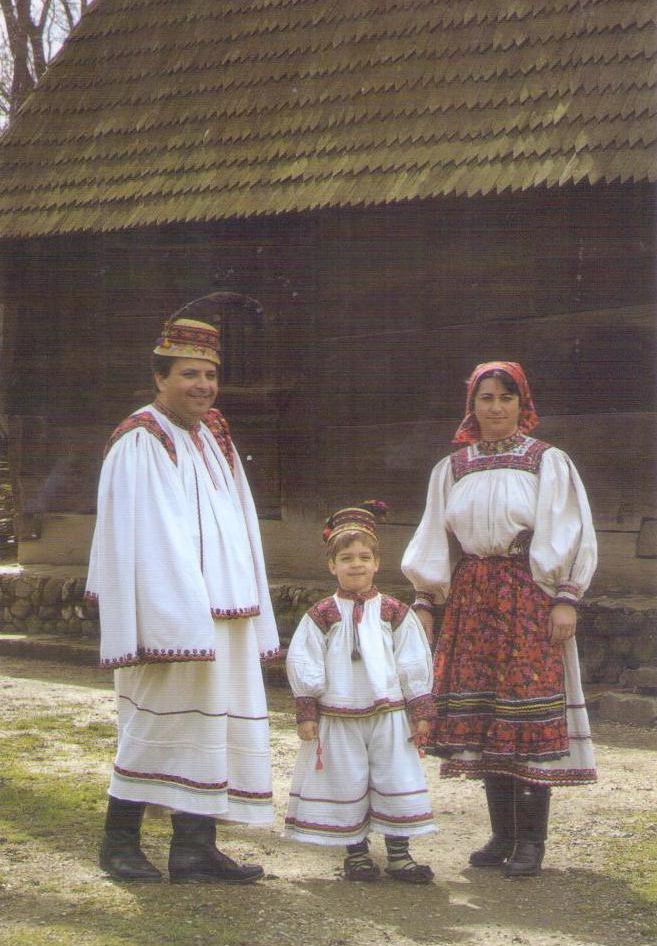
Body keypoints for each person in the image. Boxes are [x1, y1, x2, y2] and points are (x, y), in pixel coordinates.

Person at [86, 308, 280, 884]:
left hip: (226, 615)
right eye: (189, 374)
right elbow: (144, 541)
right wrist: (178, 622)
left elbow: (240, 524)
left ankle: (194, 848)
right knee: (158, 725)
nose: (202, 386)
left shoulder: (212, 437)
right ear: (160, 378)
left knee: (210, 729)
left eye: (209, 375)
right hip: (173, 623)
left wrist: (243, 598)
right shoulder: (139, 440)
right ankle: (117, 843)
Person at [402, 361, 597, 877]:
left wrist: (565, 597)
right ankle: (501, 835)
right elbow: (430, 537)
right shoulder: (453, 468)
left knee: (525, 712)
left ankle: (531, 841)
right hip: (471, 598)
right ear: (473, 406)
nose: (495, 408)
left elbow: (571, 531)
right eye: (485, 398)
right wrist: (425, 600)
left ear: (521, 404)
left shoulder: (547, 462)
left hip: (527, 593)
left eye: (505, 398)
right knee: (486, 716)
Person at [284, 502, 436, 883]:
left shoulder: (394, 612)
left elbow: (414, 661)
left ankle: (400, 857)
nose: (356, 564)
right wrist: (307, 711)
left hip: (388, 715)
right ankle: (356, 856)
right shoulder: (321, 614)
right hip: (339, 715)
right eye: (346, 558)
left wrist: (420, 711)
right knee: (346, 780)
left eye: (364, 557)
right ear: (331, 565)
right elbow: (304, 660)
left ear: (377, 562)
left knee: (395, 777)